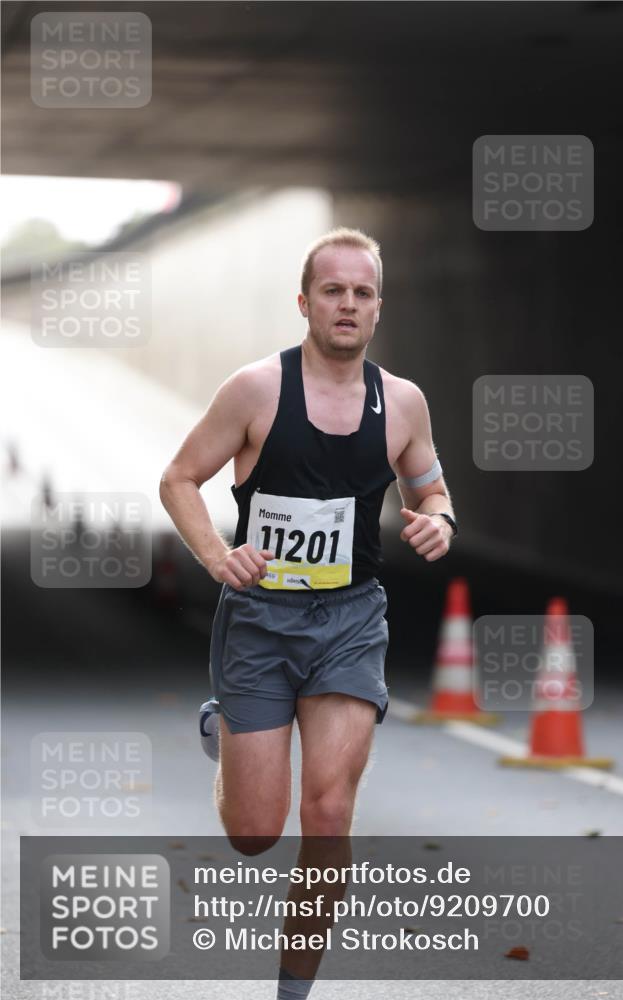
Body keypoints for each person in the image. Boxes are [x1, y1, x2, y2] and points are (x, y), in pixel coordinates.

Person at [159, 227, 457, 998]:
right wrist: (216, 557)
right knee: (255, 833)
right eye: (333, 290)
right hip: (259, 621)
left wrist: (439, 518)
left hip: (350, 623)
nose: (347, 304)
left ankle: (293, 990)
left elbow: (431, 487)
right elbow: (180, 479)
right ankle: (224, 726)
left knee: (327, 816)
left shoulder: (404, 404)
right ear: (305, 302)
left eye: (362, 292)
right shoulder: (256, 390)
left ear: (378, 307)